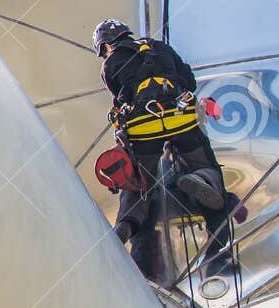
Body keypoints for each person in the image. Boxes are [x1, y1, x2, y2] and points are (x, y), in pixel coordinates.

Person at [93, 19, 237, 280]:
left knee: (139, 184)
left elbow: (119, 97)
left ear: (105, 45)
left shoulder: (110, 63)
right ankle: (202, 180)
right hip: (180, 118)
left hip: (142, 127)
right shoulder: (159, 47)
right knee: (205, 164)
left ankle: (126, 223)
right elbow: (189, 82)